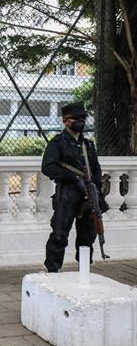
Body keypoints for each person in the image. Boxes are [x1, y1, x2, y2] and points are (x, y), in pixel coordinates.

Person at [41, 102, 107, 273]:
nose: (81, 121)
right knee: (60, 233)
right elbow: (48, 167)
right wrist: (73, 177)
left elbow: (96, 170)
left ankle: (84, 270)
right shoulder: (58, 143)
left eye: (83, 118)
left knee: (88, 234)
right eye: (77, 119)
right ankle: (53, 272)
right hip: (68, 194)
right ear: (65, 121)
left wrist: (96, 190)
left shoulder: (89, 145)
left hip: (88, 195)